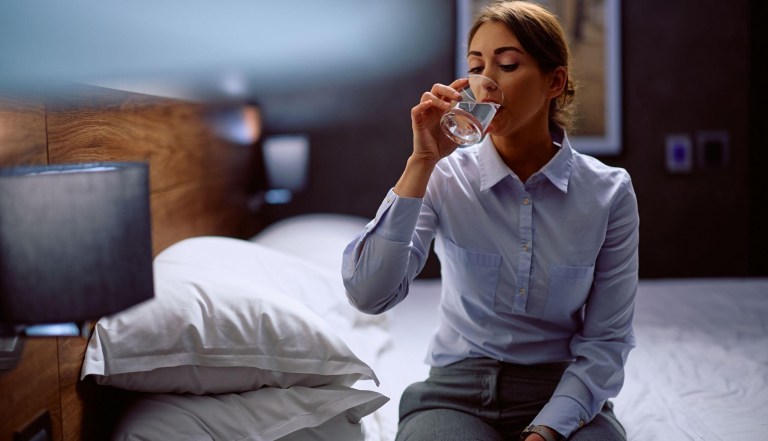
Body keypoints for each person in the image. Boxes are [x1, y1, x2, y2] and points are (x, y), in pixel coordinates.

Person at [341, 1, 639, 440]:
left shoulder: (608, 193)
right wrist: (420, 162)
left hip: (562, 390)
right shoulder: (443, 177)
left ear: (554, 82)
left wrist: (548, 430)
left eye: (508, 64)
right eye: (477, 66)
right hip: (454, 393)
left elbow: (606, 341)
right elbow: (369, 295)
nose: (487, 85)